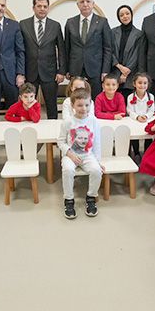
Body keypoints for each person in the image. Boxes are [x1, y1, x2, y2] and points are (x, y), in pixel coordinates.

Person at [57, 88, 102, 220]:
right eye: (80, 105)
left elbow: (97, 143)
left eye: (87, 105)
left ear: (90, 104)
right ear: (73, 105)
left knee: (96, 171)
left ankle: (91, 197)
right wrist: (70, 154)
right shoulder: (67, 122)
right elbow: (60, 141)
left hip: (88, 155)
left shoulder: (93, 120)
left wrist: (98, 162)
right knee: (68, 170)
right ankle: (69, 200)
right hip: (70, 155)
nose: (84, 108)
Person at [19, 0, 66, 119]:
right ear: (33, 8)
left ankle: (53, 128)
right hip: (30, 72)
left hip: (50, 73)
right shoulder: (23, 24)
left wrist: (61, 71)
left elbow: (61, 50)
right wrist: (20, 73)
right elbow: (20, 50)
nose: (42, 9)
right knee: (28, 104)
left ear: (48, 8)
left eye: (45, 6)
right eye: (39, 6)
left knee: (51, 105)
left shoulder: (55, 25)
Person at [63, 0, 113, 99]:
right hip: (75, 68)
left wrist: (105, 70)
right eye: (82, 2)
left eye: (88, 1)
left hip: (95, 69)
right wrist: (66, 69)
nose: (85, 4)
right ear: (78, 5)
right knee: (76, 100)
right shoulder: (70, 22)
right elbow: (66, 48)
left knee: (95, 100)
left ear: (93, 4)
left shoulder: (102, 22)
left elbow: (107, 48)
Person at [111, 5, 144, 100]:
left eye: (127, 13)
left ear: (131, 15)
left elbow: (137, 54)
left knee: (129, 101)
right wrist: (119, 66)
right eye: (121, 15)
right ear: (119, 18)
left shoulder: (139, 34)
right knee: (114, 102)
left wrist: (125, 73)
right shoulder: (113, 32)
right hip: (115, 71)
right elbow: (110, 51)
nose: (125, 16)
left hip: (131, 74)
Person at [126, 72, 155, 159]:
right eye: (139, 83)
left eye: (145, 83)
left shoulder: (151, 97)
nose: (142, 85)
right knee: (134, 135)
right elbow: (129, 110)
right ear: (134, 84)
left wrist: (146, 116)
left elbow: (151, 110)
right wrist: (137, 117)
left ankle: (147, 153)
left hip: (146, 120)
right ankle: (136, 153)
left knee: (148, 134)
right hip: (135, 120)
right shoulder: (130, 97)